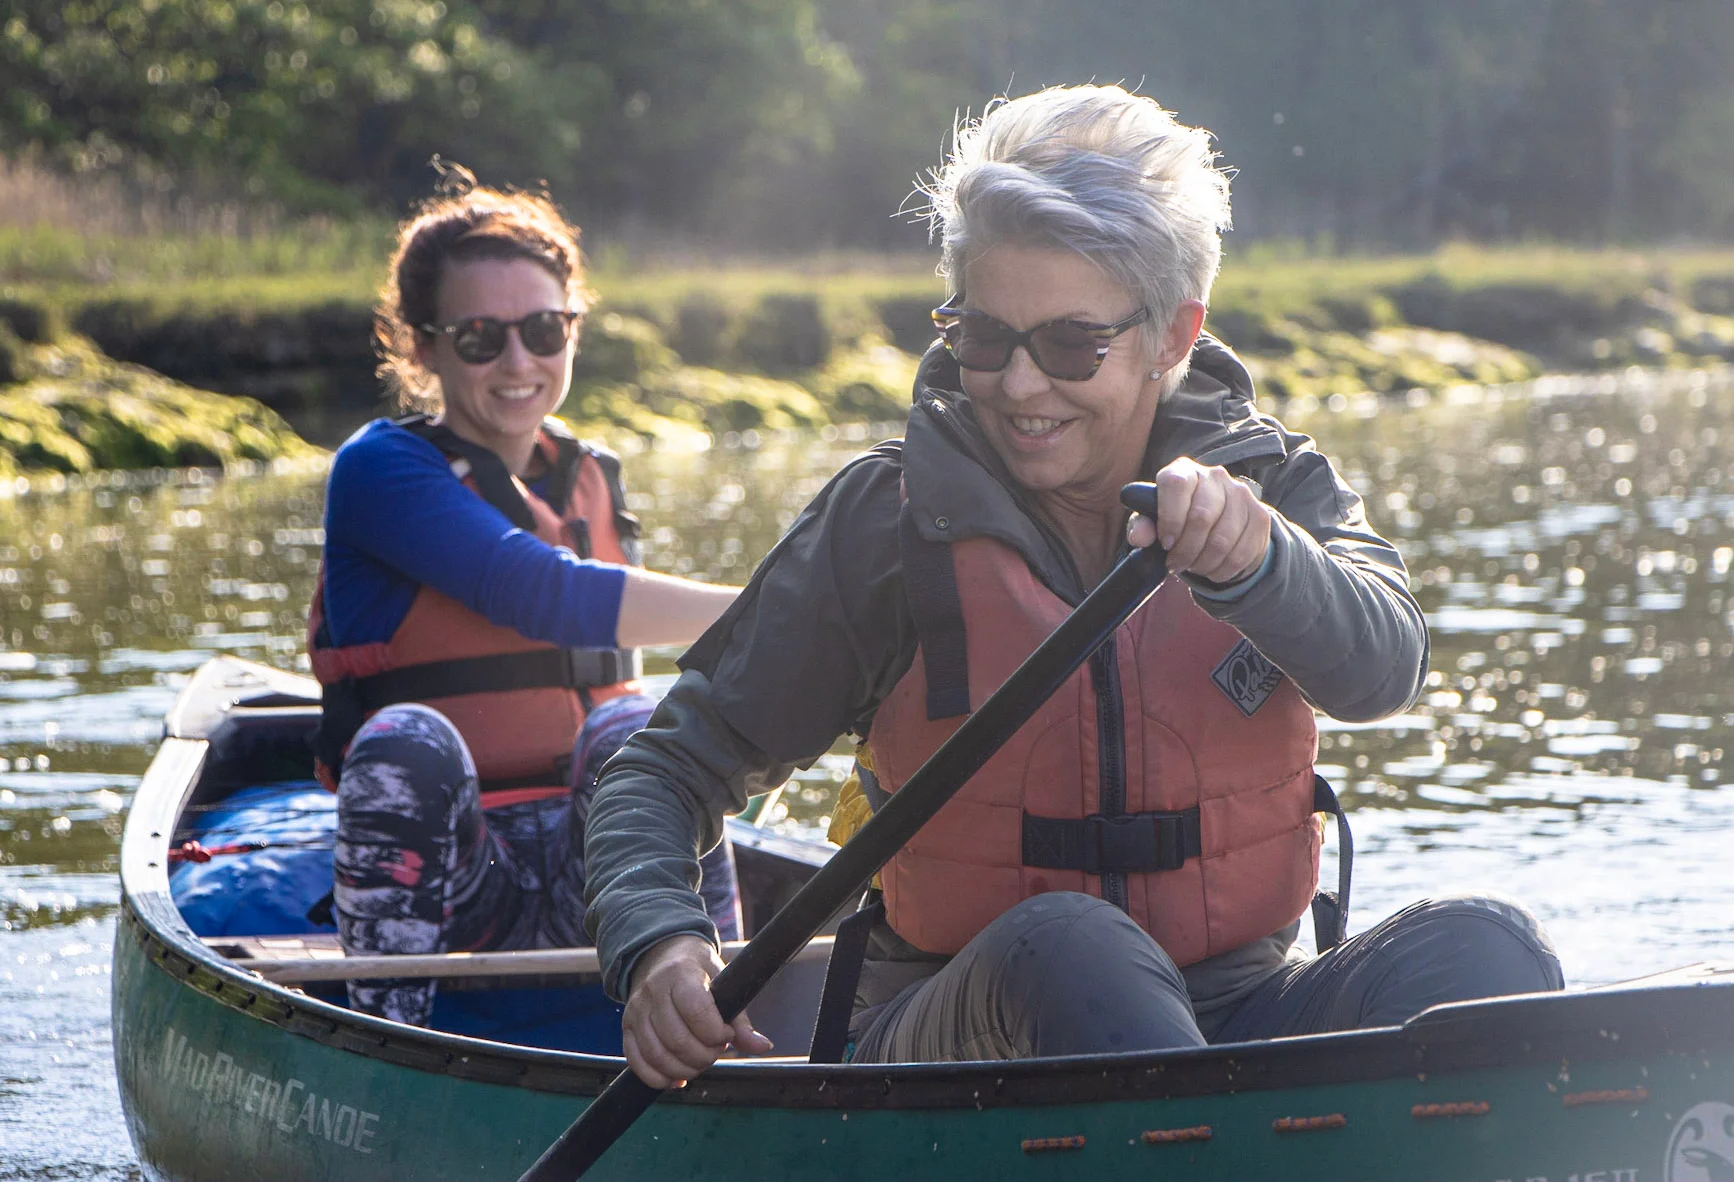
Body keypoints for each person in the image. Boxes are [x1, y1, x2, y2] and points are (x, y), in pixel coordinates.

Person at [584, 85, 1564, 1088]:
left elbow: (1385, 670)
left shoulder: (1275, 486)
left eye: (1067, 346)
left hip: (1237, 1017)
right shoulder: (887, 522)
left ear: (1172, 337)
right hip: (966, 1042)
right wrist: (660, 942)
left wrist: (1259, 564)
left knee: (1485, 951)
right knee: (1075, 948)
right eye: (982, 337)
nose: (1017, 386)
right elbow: (663, 771)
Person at [307, 168, 742, 1026]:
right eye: (480, 338)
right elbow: (541, 594)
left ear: (573, 328)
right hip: (456, 879)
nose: (519, 362)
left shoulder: (589, 476)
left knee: (637, 724)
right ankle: (389, 1038)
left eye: (544, 330)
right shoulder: (380, 469)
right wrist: (787, 606)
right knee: (407, 738)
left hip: (609, 870)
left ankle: (720, 1014)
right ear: (424, 348)